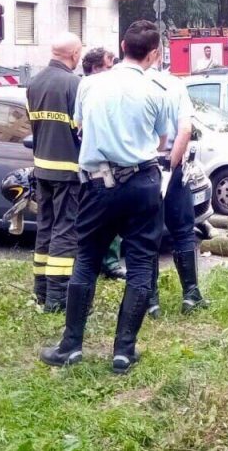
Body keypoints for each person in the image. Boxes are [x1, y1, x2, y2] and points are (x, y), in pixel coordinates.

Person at [41, 20, 171, 374]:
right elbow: (161, 142)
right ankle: (123, 352)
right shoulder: (158, 90)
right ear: (154, 54)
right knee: (142, 265)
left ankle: (71, 346)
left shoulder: (90, 84)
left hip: (98, 183)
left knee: (86, 259)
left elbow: (79, 127)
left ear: (122, 47)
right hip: (142, 182)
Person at [25, 33, 83, 312]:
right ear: (73, 54)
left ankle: (41, 290)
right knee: (65, 230)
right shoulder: (74, 84)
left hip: (41, 168)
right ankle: (58, 298)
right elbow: (81, 130)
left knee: (45, 227)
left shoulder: (34, 83)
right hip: (68, 171)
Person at [147, 64, 206, 317]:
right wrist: (171, 164)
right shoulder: (173, 84)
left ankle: (150, 300)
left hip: (142, 168)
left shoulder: (123, 84)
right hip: (173, 166)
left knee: (144, 235)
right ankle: (191, 295)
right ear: (156, 53)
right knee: (183, 230)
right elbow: (186, 129)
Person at [79, 45, 127, 280]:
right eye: (109, 66)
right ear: (97, 68)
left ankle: (105, 262)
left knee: (110, 220)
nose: (113, 70)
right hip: (96, 168)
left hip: (102, 168)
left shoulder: (108, 89)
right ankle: (105, 262)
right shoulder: (86, 87)